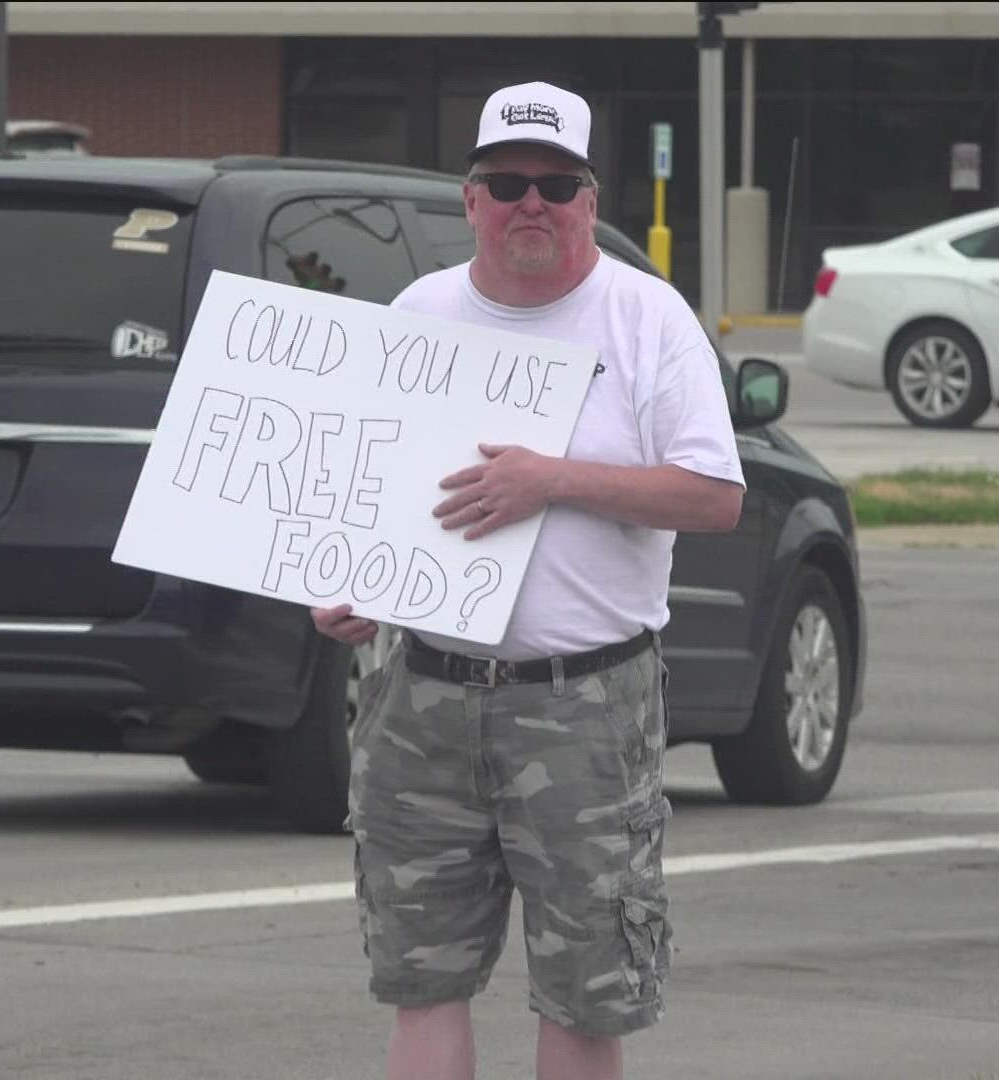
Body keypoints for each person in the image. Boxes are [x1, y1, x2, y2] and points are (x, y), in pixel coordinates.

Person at [311, 81, 746, 1080]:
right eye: (507, 182)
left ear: (592, 201)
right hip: (420, 691)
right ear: (470, 200)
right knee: (419, 979)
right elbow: (370, 490)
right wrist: (347, 589)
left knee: (587, 991)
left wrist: (551, 481)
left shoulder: (645, 321)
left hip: (585, 702)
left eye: (557, 183)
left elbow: (715, 497)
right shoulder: (421, 313)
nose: (531, 204)